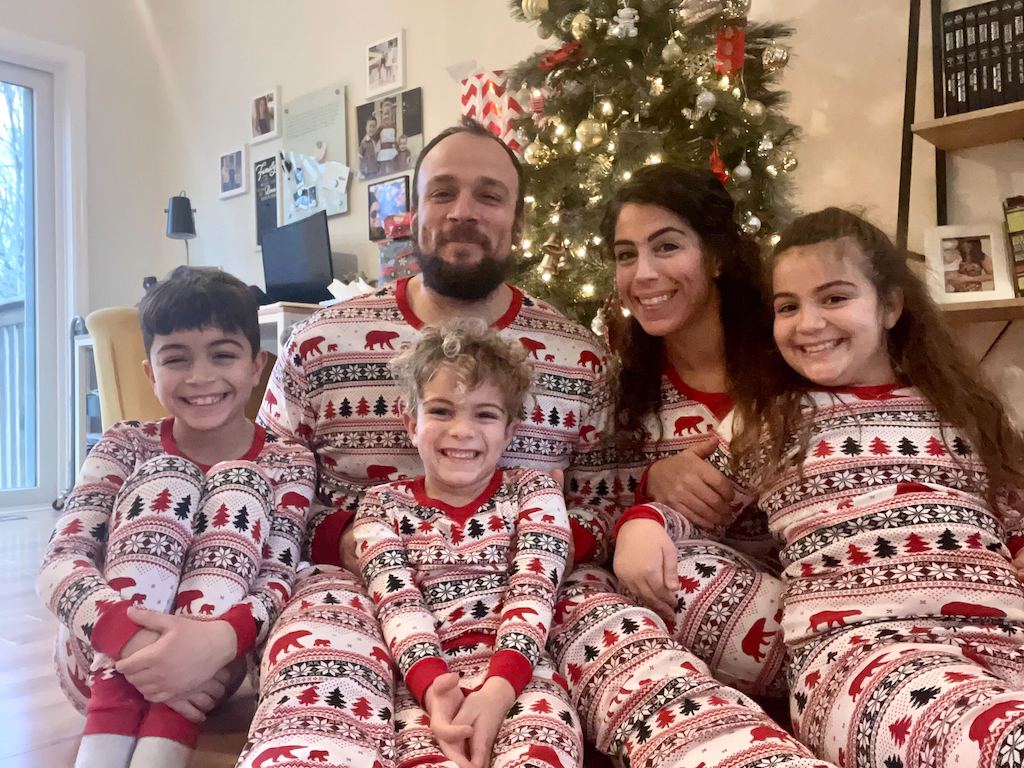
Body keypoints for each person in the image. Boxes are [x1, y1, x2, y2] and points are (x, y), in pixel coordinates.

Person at [237, 121, 836, 768]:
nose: (464, 212)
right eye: (443, 193)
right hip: (359, 585)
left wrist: (561, 530)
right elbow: (271, 494)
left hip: (538, 587)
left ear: (517, 221)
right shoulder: (319, 345)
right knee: (314, 691)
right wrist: (345, 541)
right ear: (413, 212)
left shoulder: (578, 359)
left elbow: (604, 508)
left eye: (489, 196)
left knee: (650, 673)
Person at [709, 207, 1024, 767]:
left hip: (1004, 637)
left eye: (833, 298)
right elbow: (690, 499)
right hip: (865, 657)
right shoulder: (770, 420)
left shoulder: (961, 410)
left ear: (892, 307)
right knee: (998, 740)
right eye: (788, 306)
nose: (808, 324)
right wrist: (645, 523)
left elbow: (1014, 517)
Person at [38, 266, 316, 768]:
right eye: (176, 358)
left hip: (213, 669)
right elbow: (60, 561)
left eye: (223, 355)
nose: (201, 377)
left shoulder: (288, 461)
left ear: (257, 367)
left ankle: (159, 749)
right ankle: (106, 746)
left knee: (240, 484)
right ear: (151, 372)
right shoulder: (125, 442)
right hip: (103, 661)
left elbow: (276, 578)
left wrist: (207, 646)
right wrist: (141, 646)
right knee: (169, 474)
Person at [354, 320, 581, 768]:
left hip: (522, 678)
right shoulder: (381, 504)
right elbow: (396, 601)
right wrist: (436, 691)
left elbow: (534, 587)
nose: (461, 430)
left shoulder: (534, 490)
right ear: (410, 423)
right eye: (440, 411)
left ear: (509, 431)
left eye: (484, 414)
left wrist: (498, 690)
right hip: (422, 687)